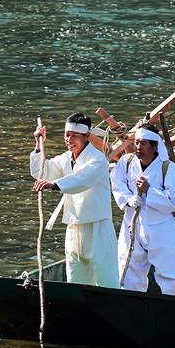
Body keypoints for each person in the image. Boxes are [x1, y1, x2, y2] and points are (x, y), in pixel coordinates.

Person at [31, 113, 118, 288]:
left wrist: (54, 185)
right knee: (76, 279)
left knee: (106, 279)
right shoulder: (66, 158)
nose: (69, 139)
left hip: (97, 225)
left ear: (87, 136)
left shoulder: (97, 159)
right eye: (67, 135)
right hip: (74, 224)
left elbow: (83, 179)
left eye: (74, 136)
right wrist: (39, 145)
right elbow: (41, 171)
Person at [110, 124, 175, 296]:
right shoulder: (126, 163)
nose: (138, 147)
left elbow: (172, 203)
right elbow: (117, 183)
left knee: (170, 271)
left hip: (161, 228)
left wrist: (150, 190)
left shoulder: (169, 169)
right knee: (129, 268)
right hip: (132, 226)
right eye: (136, 143)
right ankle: (131, 304)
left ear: (155, 146)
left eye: (144, 143)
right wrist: (128, 199)